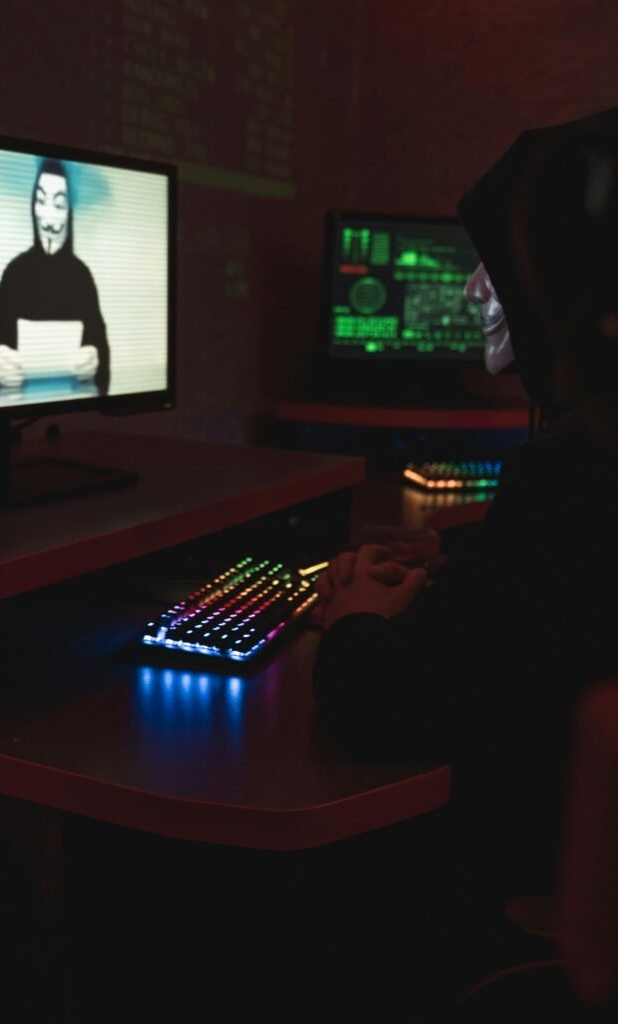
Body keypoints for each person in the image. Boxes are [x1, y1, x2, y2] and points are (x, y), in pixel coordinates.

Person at [312, 107, 618, 989]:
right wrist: (472, 572)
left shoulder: (573, 470)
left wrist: (356, 617)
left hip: (529, 899)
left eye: (500, 260)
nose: (476, 289)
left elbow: (388, 707)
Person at [0, 157, 110, 394]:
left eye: (59, 204)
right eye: (40, 201)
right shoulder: (15, 273)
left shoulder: (82, 277)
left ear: (69, 212)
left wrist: (94, 364)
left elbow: (104, 367)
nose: (48, 219)